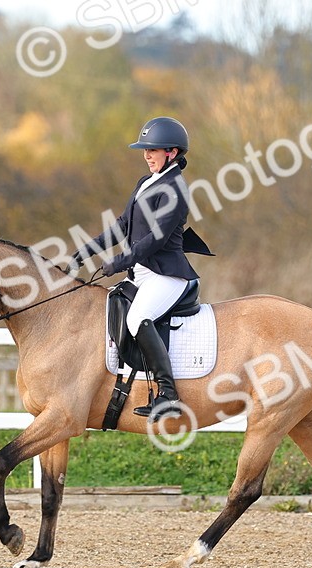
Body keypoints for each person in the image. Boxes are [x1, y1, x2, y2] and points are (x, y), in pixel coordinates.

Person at [69, 116, 208, 423]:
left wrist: (118, 262)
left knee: (138, 317)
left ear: (171, 152)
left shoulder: (176, 190)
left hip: (167, 275)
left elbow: (154, 240)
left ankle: (169, 395)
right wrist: (86, 251)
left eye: (152, 151)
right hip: (142, 275)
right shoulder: (145, 182)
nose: (146, 156)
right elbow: (122, 225)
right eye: (145, 151)